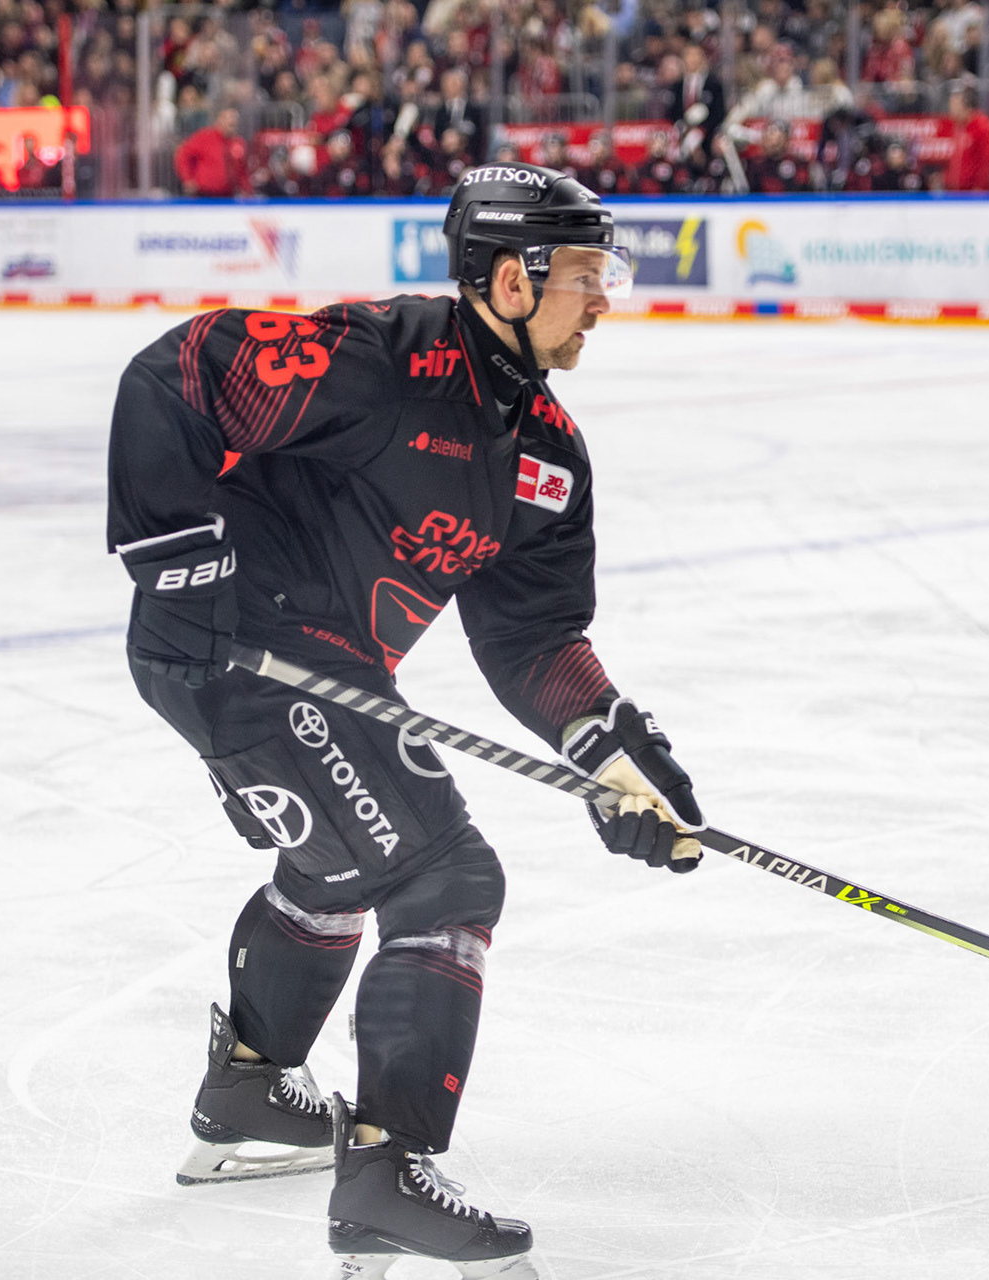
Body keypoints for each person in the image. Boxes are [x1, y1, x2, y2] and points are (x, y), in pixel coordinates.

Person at [104, 164, 701, 1278]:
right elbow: (177, 371)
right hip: (239, 642)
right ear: (509, 280)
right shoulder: (382, 357)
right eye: (583, 273)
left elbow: (532, 641)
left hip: (321, 662)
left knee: (342, 865)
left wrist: (616, 756)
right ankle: (382, 1175)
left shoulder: (546, 456)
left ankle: (249, 1089)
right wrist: (174, 551)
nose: (604, 296)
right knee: (445, 877)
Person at [174, 106, 250, 198]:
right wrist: (187, 179)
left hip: (229, 195)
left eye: (235, 119)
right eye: (229, 118)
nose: (232, 121)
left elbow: (242, 170)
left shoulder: (239, 143)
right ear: (219, 120)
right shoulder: (204, 137)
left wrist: (247, 190)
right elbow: (183, 155)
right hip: (204, 195)